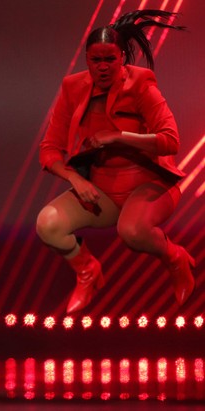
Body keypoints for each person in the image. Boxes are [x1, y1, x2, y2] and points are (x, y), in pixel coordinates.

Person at [36, 10, 195, 314]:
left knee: (133, 232)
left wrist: (119, 136)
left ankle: (175, 258)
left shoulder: (141, 85)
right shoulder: (73, 88)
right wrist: (76, 179)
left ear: (122, 57)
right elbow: (49, 150)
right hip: (103, 191)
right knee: (48, 223)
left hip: (150, 186)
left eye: (110, 59)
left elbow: (170, 139)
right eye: (96, 60)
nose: (104, 67)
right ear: (86, 59)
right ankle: (87, 271)